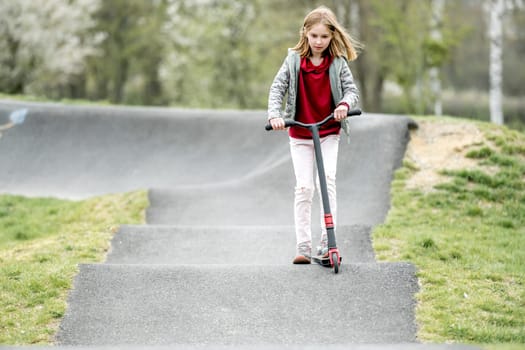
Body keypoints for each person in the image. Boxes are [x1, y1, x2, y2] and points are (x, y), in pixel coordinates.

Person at [267, 6, 361, 264]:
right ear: (305, 34)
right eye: (314, 36)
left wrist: (343, 106)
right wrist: (275, 115)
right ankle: (304, 244)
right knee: (304, 187)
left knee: (327, 181)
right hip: (300, 132)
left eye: (324, 37)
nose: (319, 42)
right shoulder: (294, 60)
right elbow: (278, 88)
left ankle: (326, 242)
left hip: (328, 131)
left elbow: (351, 92)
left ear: (332, 37)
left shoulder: (338, 63)